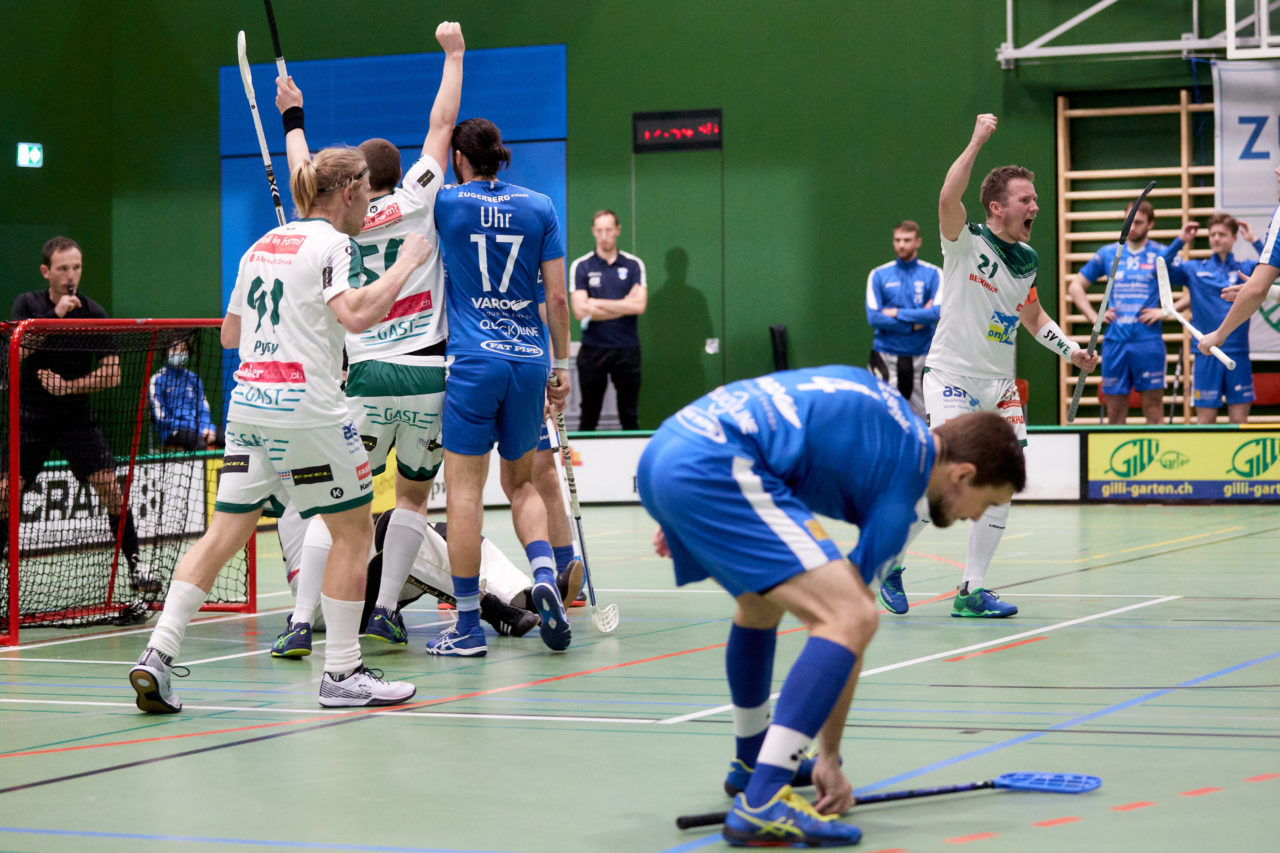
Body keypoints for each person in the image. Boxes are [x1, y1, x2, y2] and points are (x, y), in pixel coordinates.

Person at [636, 366, 1026, 847]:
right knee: (851, 616)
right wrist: (830, 758)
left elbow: (785, 434)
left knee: (760, 603)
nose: (977, 517)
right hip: (713, 467)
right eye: (986, 503)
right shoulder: (902, 487)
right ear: (962, 475)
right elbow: (853, 625)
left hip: (670, 451)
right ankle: (762, 801)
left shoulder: (889, 416)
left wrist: (689, 505)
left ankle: (751, 762)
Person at [127, 145, 432, 713]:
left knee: (223, 535)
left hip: (248, 412)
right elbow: (359, 314)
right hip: (309, 413)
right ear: (347, 191)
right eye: (366, 190)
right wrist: (406, 262)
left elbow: (230, 337)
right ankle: (342, 672)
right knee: (353, 532)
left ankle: (158, 655)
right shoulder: (336, 245)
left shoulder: (258, 247)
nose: (370, 200)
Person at [270, 21, 464, 654]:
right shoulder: (419, 202)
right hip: (427, 374)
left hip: (367, 374)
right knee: (411, 496)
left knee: (339, 502)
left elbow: (304, 175)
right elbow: (442, 122)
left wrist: (293, 116)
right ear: (399, 173)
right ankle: (383, 611)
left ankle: (301, 621)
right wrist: (454, 56)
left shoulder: (338, 222)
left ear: (355, 183)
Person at [880, 114, 1099, 620]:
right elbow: (946, 200)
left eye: (1036, 200)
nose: (1035, 207)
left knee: (1003, 483)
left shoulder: (1027, 259)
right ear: (998, 206)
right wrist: (977, 139)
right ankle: (889, 559)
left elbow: (1033, 315)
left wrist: (1072, 351)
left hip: (999, 387)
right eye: (1026, 199)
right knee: (947, 478)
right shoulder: (964, 241)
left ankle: (971, 591)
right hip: (953, 377)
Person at [430, 117, 573, 656]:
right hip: (529, 361)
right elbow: (557, 300)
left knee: (466, 492)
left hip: (473, 361)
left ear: (460, 159)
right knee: (524, 485)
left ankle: (468, 627)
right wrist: (562, 365)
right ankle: (543, 572)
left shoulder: (447, 202)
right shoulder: (540, 206)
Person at [3, 236, 159, 594]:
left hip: (76, 419)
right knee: (4, 492)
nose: (71, 275)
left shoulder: (94, 312)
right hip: (29, 417)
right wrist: (53, 318)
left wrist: (68, 387)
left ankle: (136, 568)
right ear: (47, 272)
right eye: (62, 269)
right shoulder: (27, 304)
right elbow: (16, 353)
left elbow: (113, 372)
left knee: (111, 488)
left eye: (76, 267)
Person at [1067, 199, 1180, 424]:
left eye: (1138, 222)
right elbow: (1074, 286)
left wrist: (1166, 311)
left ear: (1150, 224)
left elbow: (1192, 287)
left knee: (1153, 409)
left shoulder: (1161, 253)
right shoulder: (1109, 253)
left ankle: (1157, 456)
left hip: (1148, 342)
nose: (1132, 227)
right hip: (1115, 341)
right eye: (1128, 221)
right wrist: (1094, 316)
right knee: (1115, 412)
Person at [1164, 214, 1265, 423]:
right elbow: (1161, 270)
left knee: (1239, 423)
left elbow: (1274, 270)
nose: (1216, 238)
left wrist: (1254, 240)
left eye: (1222, 234)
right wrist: (1180, 240)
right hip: (1206, 353)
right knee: (1205, 425)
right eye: (1212, 234)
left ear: (1234, 238)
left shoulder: (1245, 268)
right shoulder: (1194, 269)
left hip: (1238, 353)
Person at [569, 210, 646, 430]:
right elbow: (580, 311)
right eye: (600, 230)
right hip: (593, 350)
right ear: (594, 232)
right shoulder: (581, 266)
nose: (604, 235)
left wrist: (595, 304)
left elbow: (639, 306)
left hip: (627, 350)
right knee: (589, 414)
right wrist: (624, 304)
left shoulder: (633, 265)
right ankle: (584, 465)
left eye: (609, 230)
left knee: (629, 414)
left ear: (617, 231)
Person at [1199, 165, 1280, 372]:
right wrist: (1269, 292)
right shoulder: (1197, 267)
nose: (1277, 170)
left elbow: (1256, 289)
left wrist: (1219, 334)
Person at [864, 220, 942, 418]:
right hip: (885, 356)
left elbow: (936, 313)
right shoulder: (878, 274)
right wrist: (914, 324)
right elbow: (874, 317)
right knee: (885, 415)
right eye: (897, 240)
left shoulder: (934, 274)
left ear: (918, 242)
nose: (901, 244)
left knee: (925, 418)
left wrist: (896, 313)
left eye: (907, 240)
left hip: (922, 356)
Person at [149, 338, 220, 450]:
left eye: (183, 349)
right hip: (172, 432)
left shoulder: (193, 379)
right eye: (175, 349)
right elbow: (161, 418)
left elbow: (204, 409)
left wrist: (208, 428)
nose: (179, 353)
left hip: (198, 429)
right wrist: (192, 428)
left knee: (227, 438)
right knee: (199, 444)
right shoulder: (157, 380)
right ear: (166, 351)